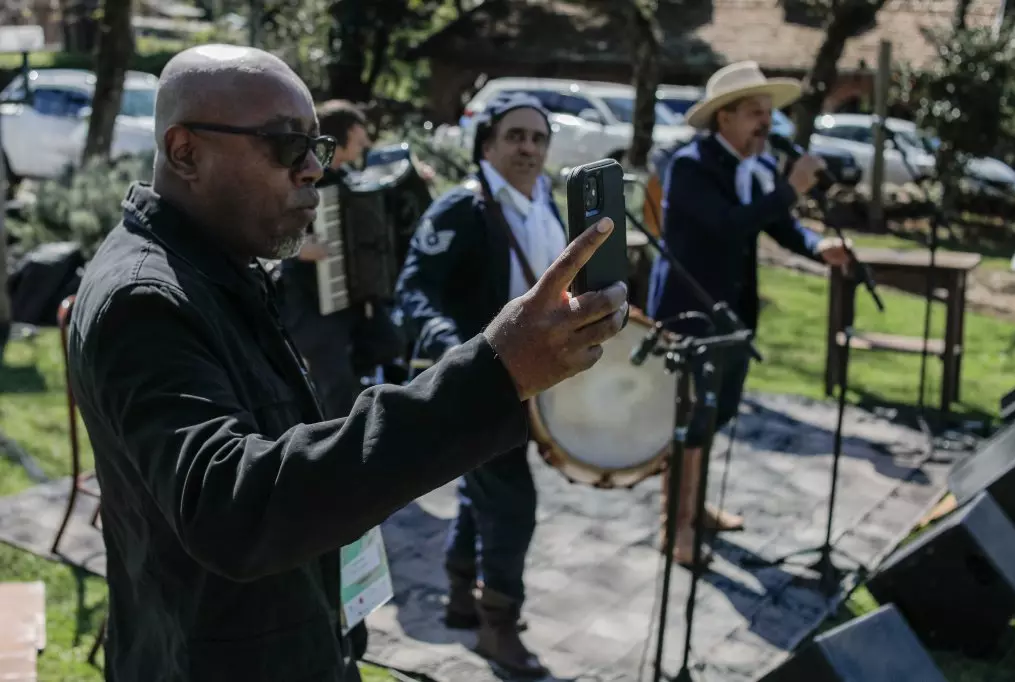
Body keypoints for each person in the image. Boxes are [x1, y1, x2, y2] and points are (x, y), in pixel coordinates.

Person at [66, 44, 629, 682]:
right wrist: (494, 372)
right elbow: (234, 506)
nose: (312, 170)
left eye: (318, 147)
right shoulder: (146, 298)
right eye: (284, 145)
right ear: (185, 151)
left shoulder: (217, 263)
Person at [395, 92, 575, 678]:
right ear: (489, 144)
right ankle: (499, 628)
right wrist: (452, 343)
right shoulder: (462, 209)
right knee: (513, 503)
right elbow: (414, 289)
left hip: (537, 384)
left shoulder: (548, 205)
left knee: (485, 492)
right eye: (516, 136)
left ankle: (458, 597)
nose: (528, 148)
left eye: (538, 138)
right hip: (487, 381)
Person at [647, 61, 854, 567]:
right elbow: (726, 226)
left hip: (733, 314)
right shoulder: (690, 165)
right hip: (690, 314)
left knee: (717, 414)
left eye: (769, 113)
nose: (768, 123)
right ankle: (677, 528)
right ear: (724, 119)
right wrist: (791, 189)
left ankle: (695, 505)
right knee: (690, 420)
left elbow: (778, 226)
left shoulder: (754, 165)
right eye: (756, 114)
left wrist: (815, 245)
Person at [275, 99, 395, 424]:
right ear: (348, 132)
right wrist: (299, 247)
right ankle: (337, 451)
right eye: (361, 133)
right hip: (308, 299)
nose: (367, 141)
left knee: (387, 344)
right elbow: (264, 226)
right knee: (335, 383)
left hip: (347, 298)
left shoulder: (347, 178)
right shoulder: (301, 175)